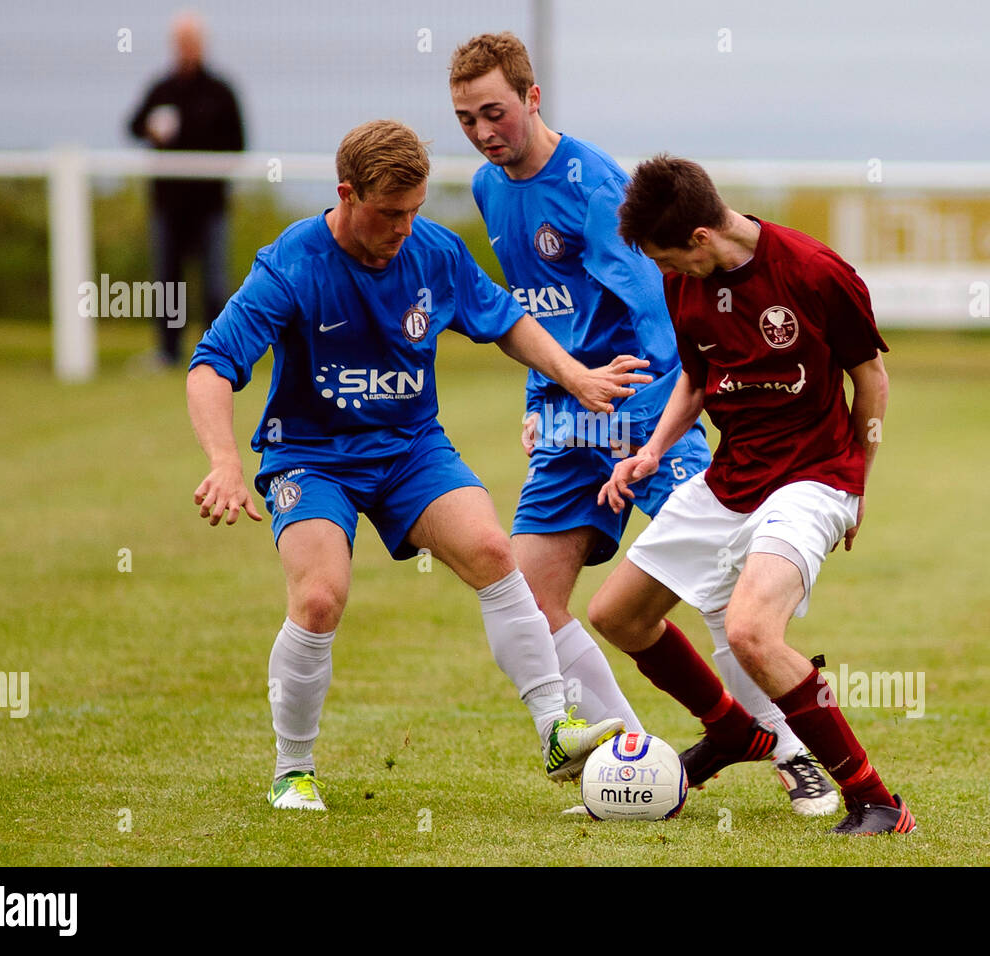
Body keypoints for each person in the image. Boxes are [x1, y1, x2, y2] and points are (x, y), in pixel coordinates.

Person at [186, 120, 649, 810]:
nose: (405, 228)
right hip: (312, 456)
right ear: (347, 194)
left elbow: (506, 320)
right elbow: (211, 366)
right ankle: (294, 770)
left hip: (409, 448)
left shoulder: (434, 251)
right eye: (390, 213)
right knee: (319, 597)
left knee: (494, 551)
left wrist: (576, 376)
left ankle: (556, 729)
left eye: (416, 211)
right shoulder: (293, 264)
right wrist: (224, 460)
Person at [448, 32, 838, 815]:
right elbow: (534, 310)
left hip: (641, 411)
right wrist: (540, 401)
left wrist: (654, 417)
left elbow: (660, 309)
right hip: (568, 420)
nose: (484, 132)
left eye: (495, 112)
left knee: (723, 597)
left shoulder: (592, 183)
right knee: (528, 597)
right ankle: (633, 765)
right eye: (465, 119)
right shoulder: (490, 191)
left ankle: (800, 751)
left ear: (531, 97)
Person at [587, 155, 916, 834]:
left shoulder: (816, 272)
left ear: (702, 237)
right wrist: (650, 452)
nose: (667, 275)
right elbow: (700, 379)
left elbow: (872, 379)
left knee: (750, 632)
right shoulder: (687, 285)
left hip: (813, 476)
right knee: (616, 613)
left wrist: (858, 482)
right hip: (730, 476)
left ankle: (875, 800)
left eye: (669, 259)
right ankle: (735, 733)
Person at [128, 11, 244, 368]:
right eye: (181, 42)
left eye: (192, 41)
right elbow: (133, 126)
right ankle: (168, 351)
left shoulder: (221, 91)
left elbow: (238, 143)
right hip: (168, 205)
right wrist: (152, 130)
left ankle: (217, 354)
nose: (187, 48)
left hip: (209, 206)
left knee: (214, 282)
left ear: (202, 45)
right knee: (168, 283)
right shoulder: (162, 89)